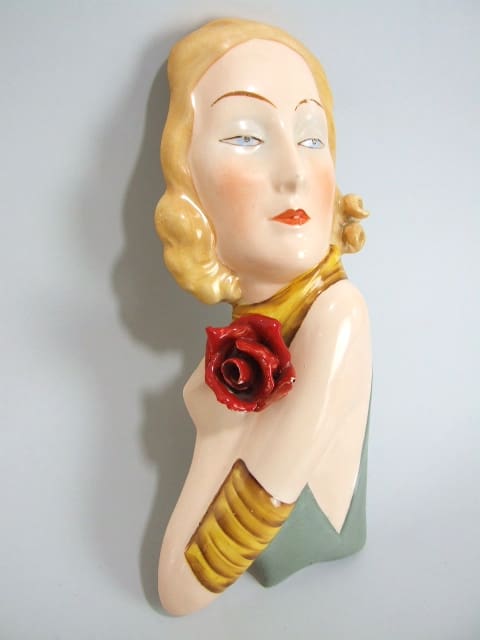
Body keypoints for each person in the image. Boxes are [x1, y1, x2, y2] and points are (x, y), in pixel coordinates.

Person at [154, 18, 372, 616]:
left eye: (311, 138)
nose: (295, 173)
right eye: (246, 137)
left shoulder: (337, 318)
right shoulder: (260, 321)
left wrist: (217, 433)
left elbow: (183, 588)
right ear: (188, 183)